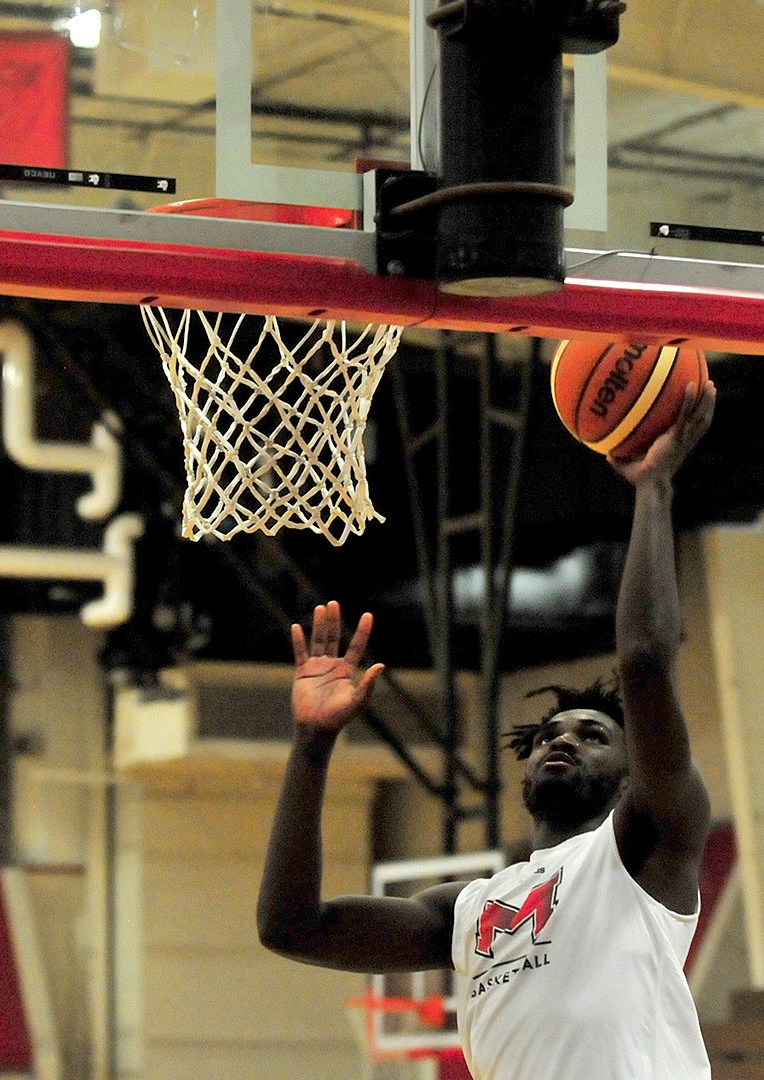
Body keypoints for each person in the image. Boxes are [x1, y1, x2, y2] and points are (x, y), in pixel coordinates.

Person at [257, 379, 717, 1080]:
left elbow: (645, 661)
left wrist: (653, 489)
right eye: (548, 737)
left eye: (593, 735)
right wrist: (313, 747)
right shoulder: (470, 909)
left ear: (632, 775)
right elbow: (291, 926)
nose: (561, 741)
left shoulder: (643, 852)